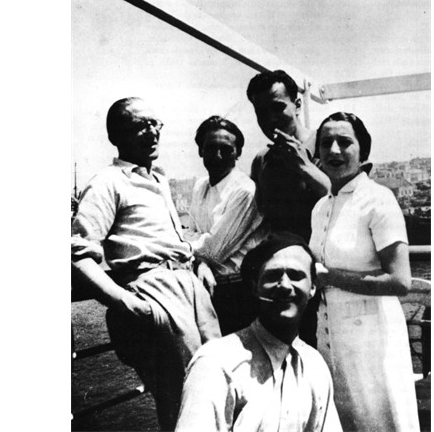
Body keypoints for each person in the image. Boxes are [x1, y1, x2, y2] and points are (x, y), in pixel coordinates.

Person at [71, 97, 220, 431]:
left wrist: (199, 262)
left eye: (156, 124)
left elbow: (167, 239)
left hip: (190, 287)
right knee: (184, 397)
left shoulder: (159, 181)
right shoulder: (108, 182)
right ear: (116, 135)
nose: (152, 132)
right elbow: (79, 254)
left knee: (218, 381)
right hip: (155, 292)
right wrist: (126, 302)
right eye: (141, 125)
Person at [310, 111, 420, 432]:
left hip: (374, 342)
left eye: (344, 142)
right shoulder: (320, 208)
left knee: (381, 421)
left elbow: (400, 281)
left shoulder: (378, 200)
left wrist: (330, 277)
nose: (333, 150)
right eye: (325, 142)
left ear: (363, 151)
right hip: (331, 340)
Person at [176, 232, 342, 432]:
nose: (285, 286)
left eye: (296, 276)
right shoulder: (217, 363)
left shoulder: (314, 365)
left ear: (313, 287)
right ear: (255, 287)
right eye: (273, 276)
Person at [246, 69, 330, 347]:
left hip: (325, 274)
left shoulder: (326, 144)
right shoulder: (261, 160)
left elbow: (341, 198)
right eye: (261, 112)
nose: (270, 118)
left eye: (277, 107)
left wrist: (304, 166)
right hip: (285, 280)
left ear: (297, 104)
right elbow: (260, 219)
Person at [186, 115, 267, 335]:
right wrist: (200, 262)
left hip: (239, 293)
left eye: (226, 149)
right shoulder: (200, 186)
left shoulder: (244, 190)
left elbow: (213, 250)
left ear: (238, 152)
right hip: (207, 285)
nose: (218, 155)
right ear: (201, 150)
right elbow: (191, 232)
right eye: (211, 148)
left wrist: (199, 256)